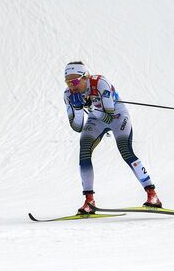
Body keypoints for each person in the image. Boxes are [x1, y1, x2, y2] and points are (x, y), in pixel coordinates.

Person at [63, 61, 162, 214]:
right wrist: (77, 109)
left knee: (125, 150)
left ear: (85, 77)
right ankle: (89, 200)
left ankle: (152, 195)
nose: (71, 85)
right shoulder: (68, 95)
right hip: (96, 119)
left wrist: (88, 104)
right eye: (68, 81)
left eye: (74, 81)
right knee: (84, 150)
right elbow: (77, 127)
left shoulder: (100, 83)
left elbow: (108, 116)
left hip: (117, 116)